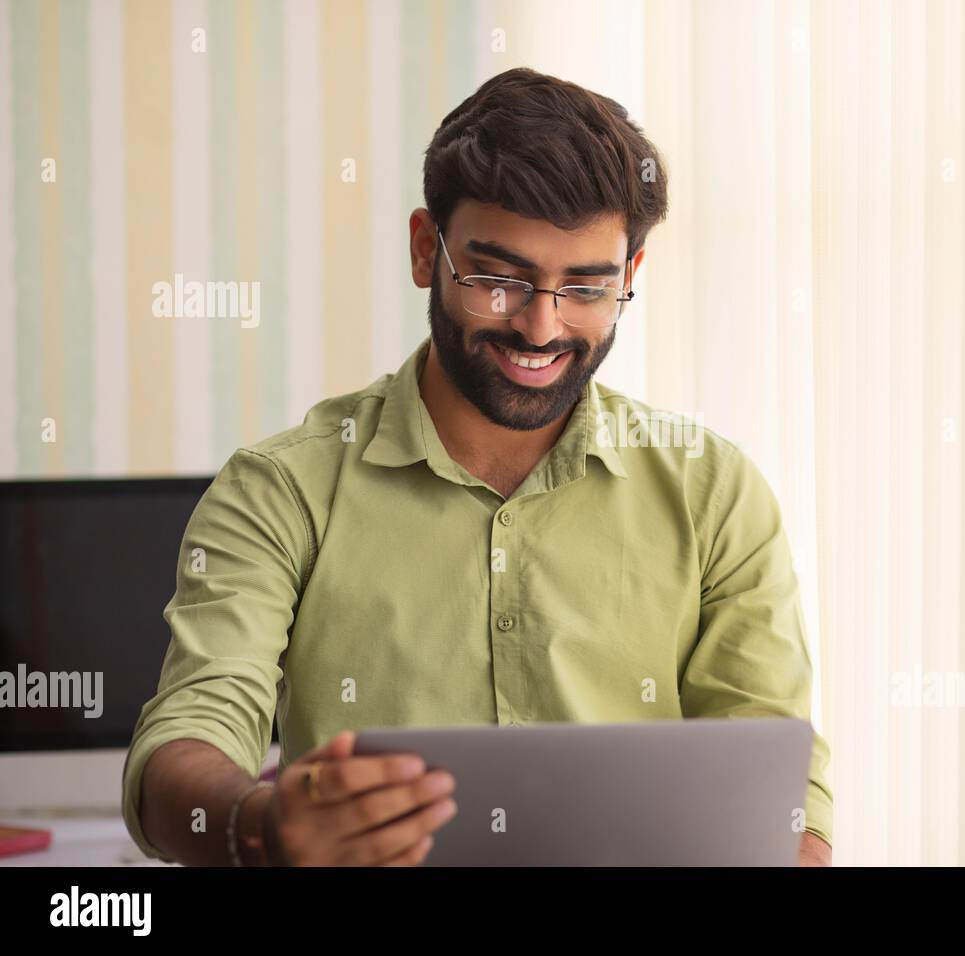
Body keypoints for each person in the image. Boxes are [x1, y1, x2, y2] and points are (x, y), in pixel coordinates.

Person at [122, 67, 833, 867]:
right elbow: (184, 743)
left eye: (586, 287)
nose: (540, 326)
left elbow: (781, 792)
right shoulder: (280, 490)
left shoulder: (714, 492)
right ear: (428, 249)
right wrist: (259, 826)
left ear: (630, 276)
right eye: (498, 279)